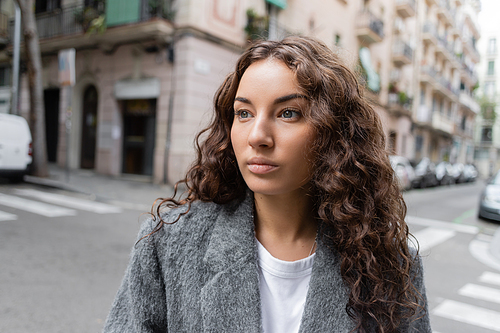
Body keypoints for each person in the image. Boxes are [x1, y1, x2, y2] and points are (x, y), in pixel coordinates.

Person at [103, 36, 431, 333]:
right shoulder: (167, 245)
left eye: (288, 113)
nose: (257, 136)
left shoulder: (391, 266)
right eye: (243, 113)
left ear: (335, 134)